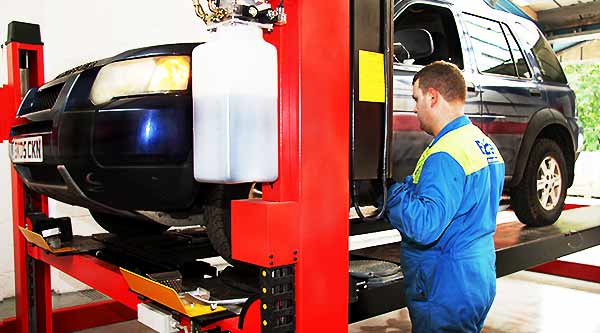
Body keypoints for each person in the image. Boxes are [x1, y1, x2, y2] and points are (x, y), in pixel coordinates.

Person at [386, 61, 504, 333]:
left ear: (433, 96)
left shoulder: (446, 153)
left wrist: (391, 194)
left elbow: (425, 226)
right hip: (476, 276)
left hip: (446, 283)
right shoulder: (483, 143)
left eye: (416, 99)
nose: (415, 108)